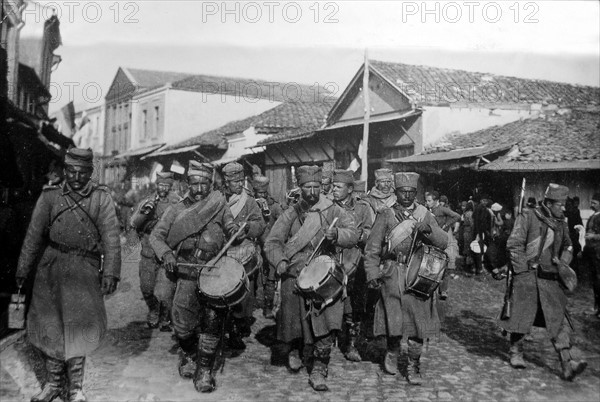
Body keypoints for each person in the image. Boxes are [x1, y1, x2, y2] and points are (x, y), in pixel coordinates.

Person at [15, 147, 121, 402]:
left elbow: (112, 238)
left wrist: (111, 273)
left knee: (79, 327)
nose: (76, 177)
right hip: (51, 268)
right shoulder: (50, 197)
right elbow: (33, 235)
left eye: (82, 172)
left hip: (84, 269)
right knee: (49, 326)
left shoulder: (101, 198)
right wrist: (22, 269)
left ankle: (75, 389)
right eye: (71, 171)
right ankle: (53, 385)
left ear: (90, 172)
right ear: (64, 170)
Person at [264, 165, 359, 391]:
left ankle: (319, 367)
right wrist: (280, 261)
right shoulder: (290, 213)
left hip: (325, 273)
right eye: (308, 187)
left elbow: (353, 233)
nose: (313, 191)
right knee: (295, 318)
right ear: (300, 187)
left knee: (327, 320)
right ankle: (295, 349)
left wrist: (337, 234)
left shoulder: (333, 210)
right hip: (295, 271)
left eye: (317, 186)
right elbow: (272, 243)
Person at [149, 161, 237, 393]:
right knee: (182, 325)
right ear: (188, 184)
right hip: (186, 273)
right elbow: (156, 237)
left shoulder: (219, 205)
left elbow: (230, 227)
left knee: (212, 321)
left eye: (204, 184)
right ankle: (188, 353)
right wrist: (166, 253)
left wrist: (236, 230)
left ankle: (205, 370)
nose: (199, 189)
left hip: (214, 273)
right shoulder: (175, 210)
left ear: (211, 184)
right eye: (195, 184)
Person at [364, 172, 448, 385]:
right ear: (396, 192)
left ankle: (413, 364)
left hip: (418, 274)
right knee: (394, 319)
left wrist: (427, 229)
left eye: (412, 192)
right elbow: (373, 248)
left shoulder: (425, 214)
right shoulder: (386, 215)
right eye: (403, 192)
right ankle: (392, 351)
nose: (408, 196)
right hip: (393, 272)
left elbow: (443, 241)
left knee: (417, 323)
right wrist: (373, 273)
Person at [499, 183, 587, 381]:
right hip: (528, 277)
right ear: (548, 203)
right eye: (559, 204)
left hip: (550, 279)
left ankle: (567, 363)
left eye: (564, 204)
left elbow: (569, 246)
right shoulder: (528, 217)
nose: (563, 208)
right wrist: (522, 271)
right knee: (522, 315)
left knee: (559, 320)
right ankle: (516, 352)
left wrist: (563, 263)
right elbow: (514, 244)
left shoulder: (561, 223)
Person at [221, 162, 266, 349]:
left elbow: (260, 224)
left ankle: (237, 327)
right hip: (222, 253)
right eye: (235, 182)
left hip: (242, 253)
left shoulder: (248, 202)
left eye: (241, 181)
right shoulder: (218, 199)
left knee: (243, 295)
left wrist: (247, 228)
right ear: (226, 182)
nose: (239, 185)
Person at [331, 169, 373, 362]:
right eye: (333, 186)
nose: (334, 190)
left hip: (355, 258)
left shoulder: (362, 208)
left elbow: (369, 232)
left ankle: (351, 344)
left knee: (355, 304)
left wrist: (359, 235)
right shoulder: (328, 206)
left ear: (350, 189)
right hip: (332, 257)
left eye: (338, 187)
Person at [130, 172, 180, 330]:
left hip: (167, 247)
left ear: (170, 186)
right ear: (156, 185)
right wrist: (145, 212)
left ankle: (165, 317)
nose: (163, 188)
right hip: (149, 248)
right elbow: (133, 223)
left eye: (166, 186)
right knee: (146, 287)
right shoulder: (148, 200)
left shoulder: (177, 201)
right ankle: (153, 309)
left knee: (167, 290)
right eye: (160, 185)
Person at [253, 175, 285, 319]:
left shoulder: (275, 205)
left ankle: (268, 307)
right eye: (258, 193)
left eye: (263, 193)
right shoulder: (250, 204)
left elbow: (283, 223)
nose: (261, 195)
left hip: (270, 245)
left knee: (271, 277)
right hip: (254, 245)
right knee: (254, 275)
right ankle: (253, 304)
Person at [425, 191, 460, 299]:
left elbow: (456, 216)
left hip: (443, 239)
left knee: (445, 263)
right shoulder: (428, 210)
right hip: (432, 239)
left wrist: (446, 225)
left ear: (436, 201)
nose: (427, 203)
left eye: (429, 201)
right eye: (426, 201)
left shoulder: (441, 209)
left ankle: (443, 290)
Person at [583, 193, 600, 318]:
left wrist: (594, 236)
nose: (591, 205)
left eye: (594, 203)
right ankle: (597, 308)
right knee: (595, 282)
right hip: (592, 254)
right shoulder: (593, 216)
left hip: (598, 254)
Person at [473, 194, 493, 275]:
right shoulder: (479, 208)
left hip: (482, 232)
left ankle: (479, 267)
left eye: (486, 201)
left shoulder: (484, 208)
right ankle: (479, 268)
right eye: (483, 200)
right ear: (481, 201)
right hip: (479, 232)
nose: (485, 202)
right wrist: (478, 233)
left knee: (481, 250)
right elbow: (477, 221)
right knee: (479, 250)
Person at [460, 201, 475, 274]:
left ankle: (464, 264)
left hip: (465, 231)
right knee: (469, 248)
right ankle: (468, 266)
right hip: (469, 232)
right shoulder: (471, 214)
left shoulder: (465, 213)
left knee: (466, 248)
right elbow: (472, 224)